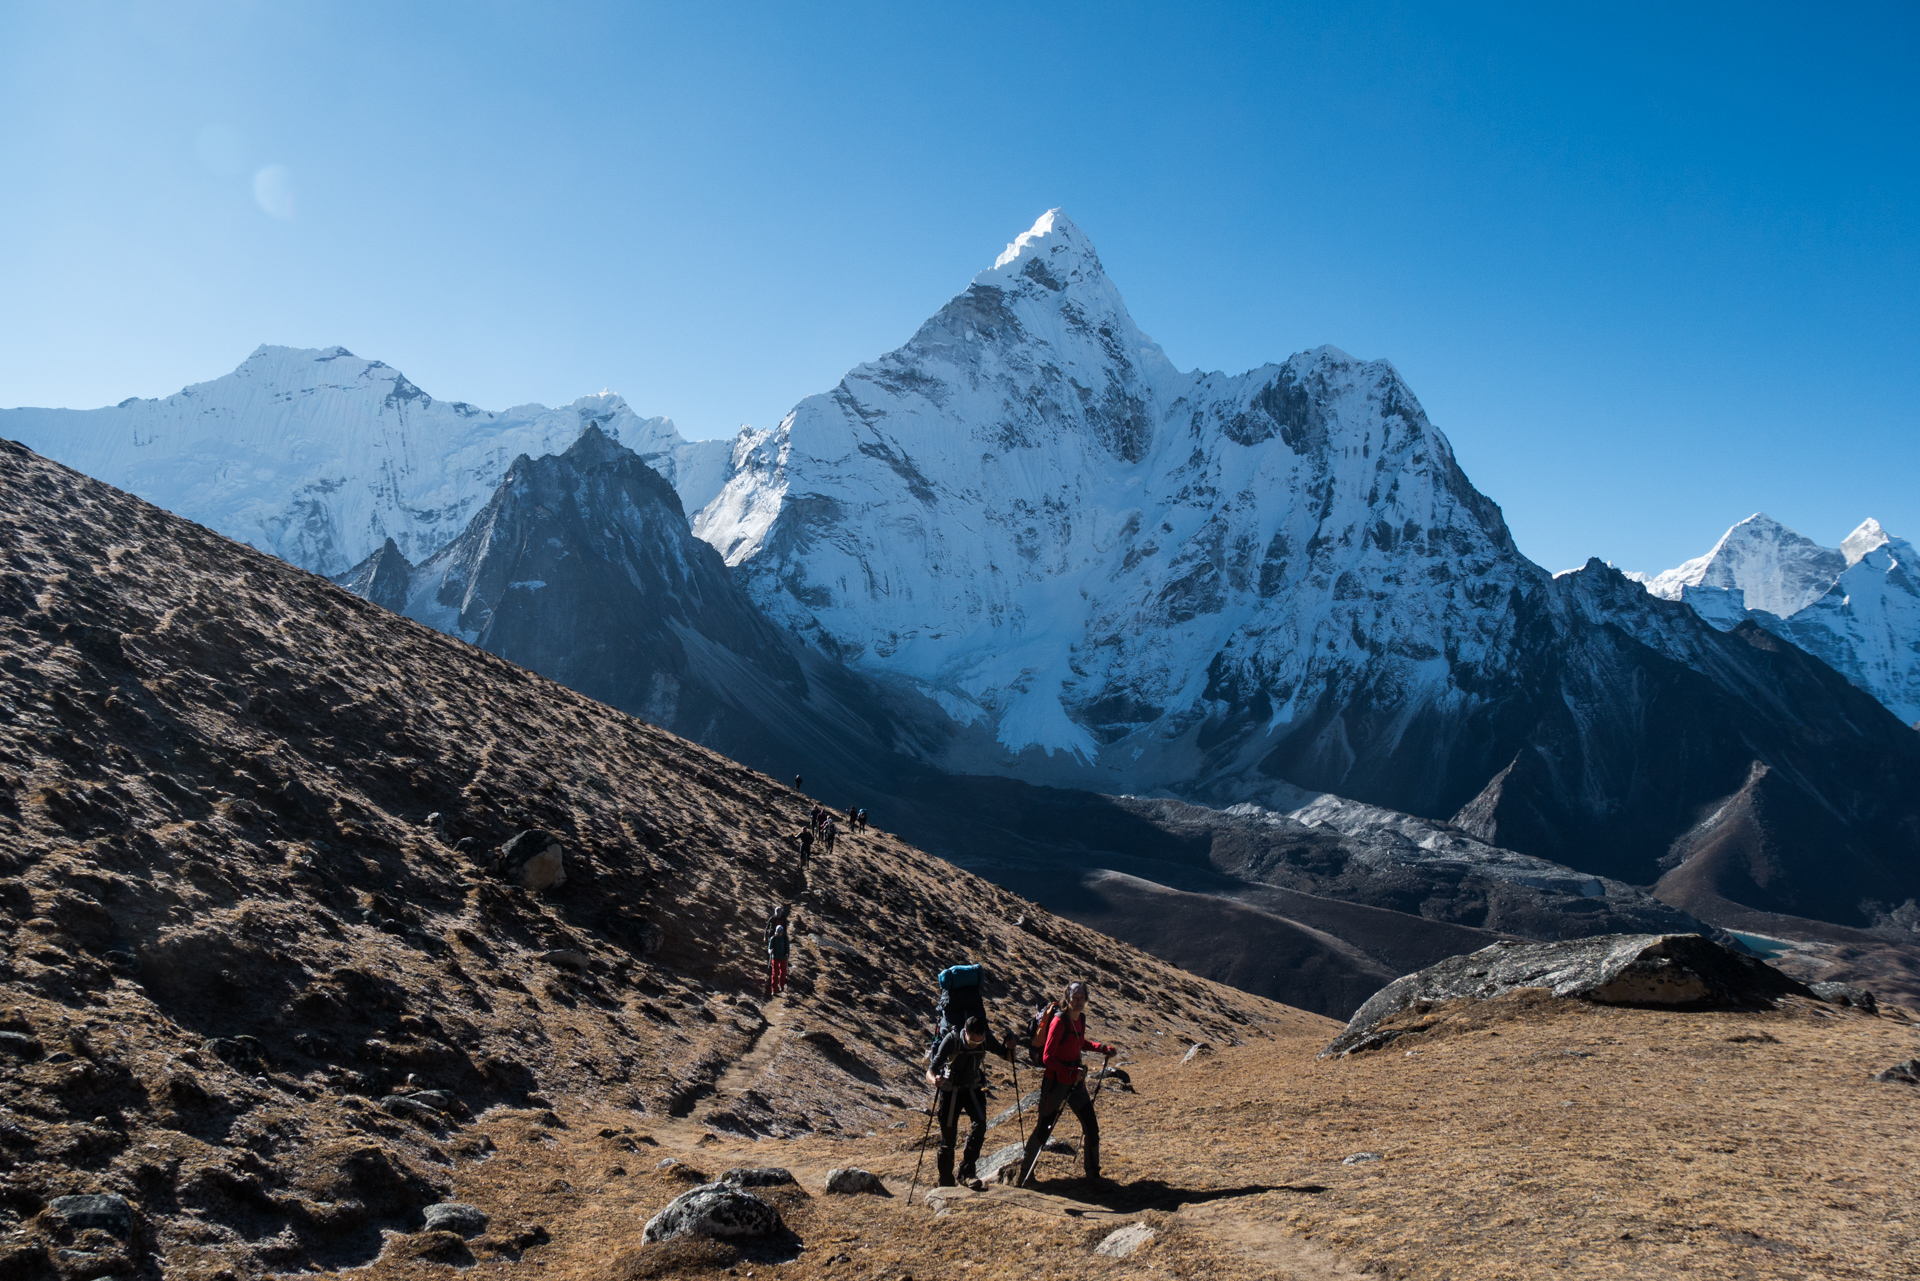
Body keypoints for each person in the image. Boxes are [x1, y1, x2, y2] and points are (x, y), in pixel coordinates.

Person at [1019, 981, 1118, 1185]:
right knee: (1043, 1128)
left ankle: (1093, 1176)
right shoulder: (1059, 1021)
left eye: (1082, 997)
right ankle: (1024, 1176)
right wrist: (1070, 1072)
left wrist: (1101, 1048)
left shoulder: (1080, 1019)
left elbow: (1079, 1042)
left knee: (1091, 1126)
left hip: (1075, 1082)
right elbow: (1047, 1057)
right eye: (1075, 997)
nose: (1079, 1001)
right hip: (1056, 1084)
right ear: (1068, 998)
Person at [925, 1014, 1014, 1187]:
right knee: (948, 1137)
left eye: (978, 1042)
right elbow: (931, 1069)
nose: (975, 1044)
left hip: (973, 1088)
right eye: (972, 1041)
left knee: (980, 1125)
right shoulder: (951, 1040)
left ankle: (967, 1172)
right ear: (964, 1032)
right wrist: (935, 1080)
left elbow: (1008, 1057)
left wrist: (1011, 1047)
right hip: (951, 1090)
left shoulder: (985, 1038)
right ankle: (945, 1179)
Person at [767, 920, 791, 997]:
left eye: (780, 931)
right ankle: (774, 989)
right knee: (775, 973)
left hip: (783, 957)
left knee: (783, 973)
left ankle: (782, 985)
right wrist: (770, 951)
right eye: (778, 931)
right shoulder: (773, 938)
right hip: (775, 957)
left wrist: (787, 954)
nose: (779, 933)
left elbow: (787, 947)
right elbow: (769, 948)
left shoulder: (785, 938)